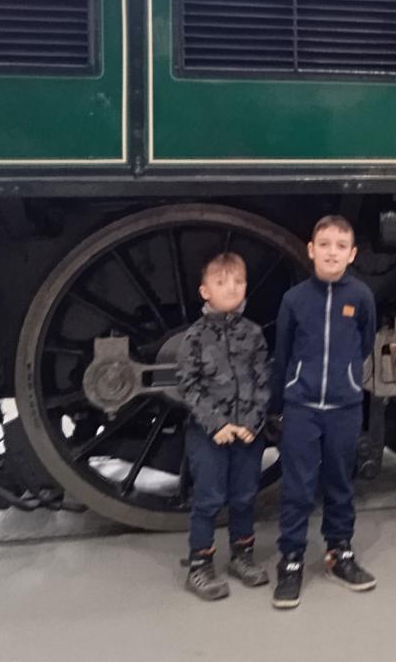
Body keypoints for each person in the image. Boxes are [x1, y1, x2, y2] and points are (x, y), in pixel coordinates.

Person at [270, 216, 378, 609]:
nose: (332, 252)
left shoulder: (361, 296)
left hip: (343, 408)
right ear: (311, 249)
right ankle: (291, 559)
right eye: (325, 244)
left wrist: (347, 380)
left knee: (340, 483)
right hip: (302, 406)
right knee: (297, 486)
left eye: (341, 246)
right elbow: (283, 352)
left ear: (352, 254)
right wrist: (278, 405)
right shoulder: (294, 299)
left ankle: (340, 552)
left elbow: (365, 341)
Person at [176, 251, 272, 600]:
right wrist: (216, 424)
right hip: (209, 433)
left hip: (247, 432)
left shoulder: (254, 334)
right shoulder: (195, 337)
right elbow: (188, 385)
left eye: (238, 281)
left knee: (245, 496)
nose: (230, 288)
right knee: (208, 498)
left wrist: (251, 422)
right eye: (221, 282)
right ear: (205, 291)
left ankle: (242, 556)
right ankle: (200, 565)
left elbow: (264, 381)